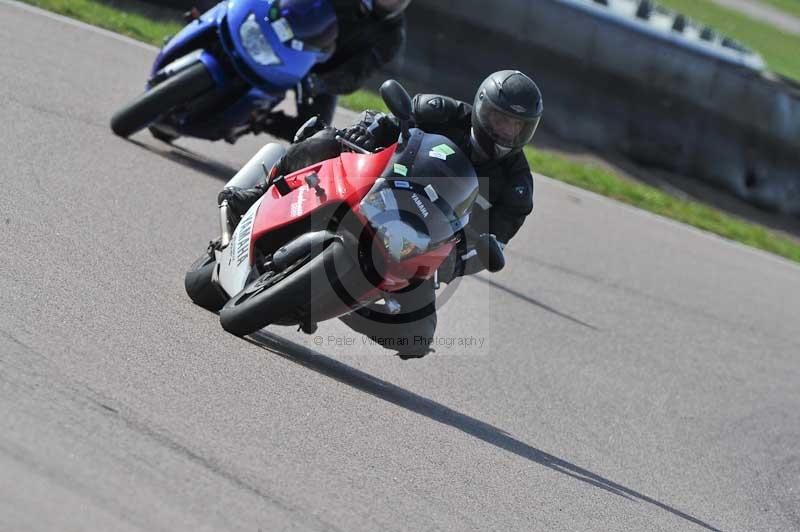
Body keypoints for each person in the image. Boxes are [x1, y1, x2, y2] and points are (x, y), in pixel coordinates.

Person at [220, 71, 544, 358]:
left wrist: (457, 262)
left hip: (420, 244)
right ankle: (259, 191)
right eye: (502, 120)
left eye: (518, 127)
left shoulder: (516, 186)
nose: (507, 132)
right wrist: (368, 131)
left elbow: (494, 239)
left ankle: (355, 307)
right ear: (483, 108)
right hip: (380, 187)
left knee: (417, 338)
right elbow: (391, 121)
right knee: (325, 139)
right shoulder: (443, 112)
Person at [263, 0, 410, 140]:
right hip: (291, 47)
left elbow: (356, 74)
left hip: (323, 73)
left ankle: (261, 120)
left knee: (316, 135)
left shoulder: (393, 36)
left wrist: (320, 84)